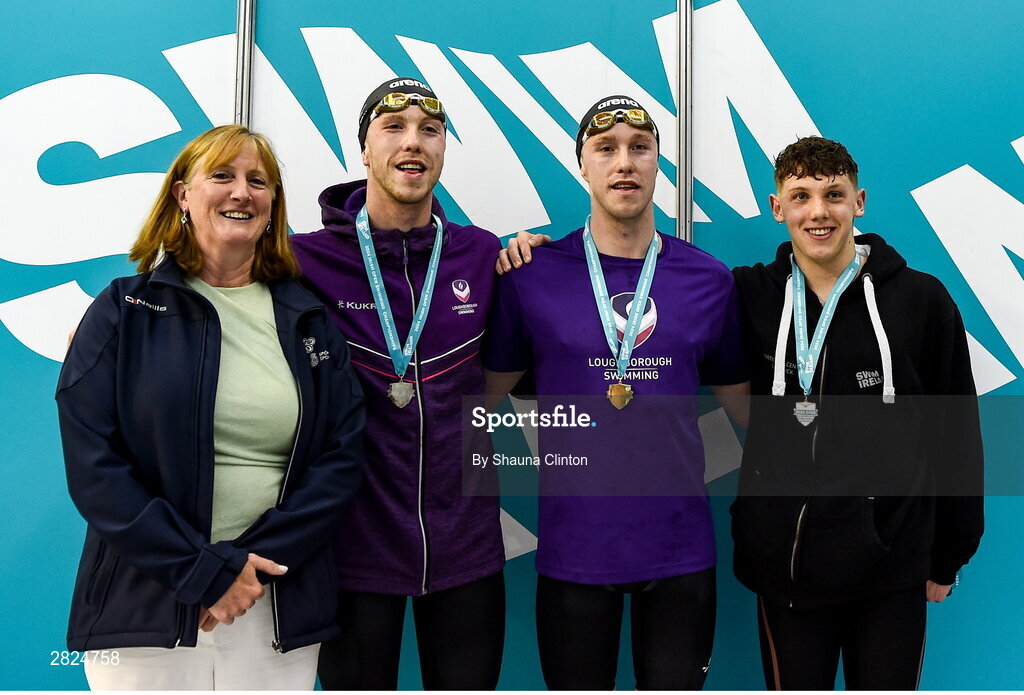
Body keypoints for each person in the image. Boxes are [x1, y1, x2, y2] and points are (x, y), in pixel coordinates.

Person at [56, 124, 366, 690]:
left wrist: (245, 572)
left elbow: (340, 461)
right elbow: (94, 467)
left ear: (273, 205)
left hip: (273, 601)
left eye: (258, 181)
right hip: (149, 606)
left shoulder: (309, 320)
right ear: (182, 196)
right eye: (221, 176)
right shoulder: (123, 312)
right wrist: (202, 572)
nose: (241, 192)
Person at [484, 95, 749, 690]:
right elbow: (471, 398)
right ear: (583, 164)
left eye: (640, 148)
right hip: (574, 551)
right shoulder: (532, 275)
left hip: (681, 552)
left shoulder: (709, 279)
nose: (624, 162)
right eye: (606, 149)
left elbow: (748, 414)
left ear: (660, 164)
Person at [730, 135, 984, 690]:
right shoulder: (747, 296)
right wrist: (532, 259)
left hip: (891, 570)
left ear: (859, 202)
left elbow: (957, 436)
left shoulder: (920, 300)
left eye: (833, 194)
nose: (818, 212)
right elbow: (660, 302)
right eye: (800, 196)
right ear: (777, 208)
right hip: (787, 570)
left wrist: (949, 555)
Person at [290, 77, 508, 690]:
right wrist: (118, 322)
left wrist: (527, 253)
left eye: (430, 131)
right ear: (363, 149)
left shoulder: (479, 255)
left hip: (465, 547)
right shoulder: (302, 260)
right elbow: (207, 279)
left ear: (443, 150)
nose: (413, 143)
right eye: (393, 128)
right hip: (352, 550)